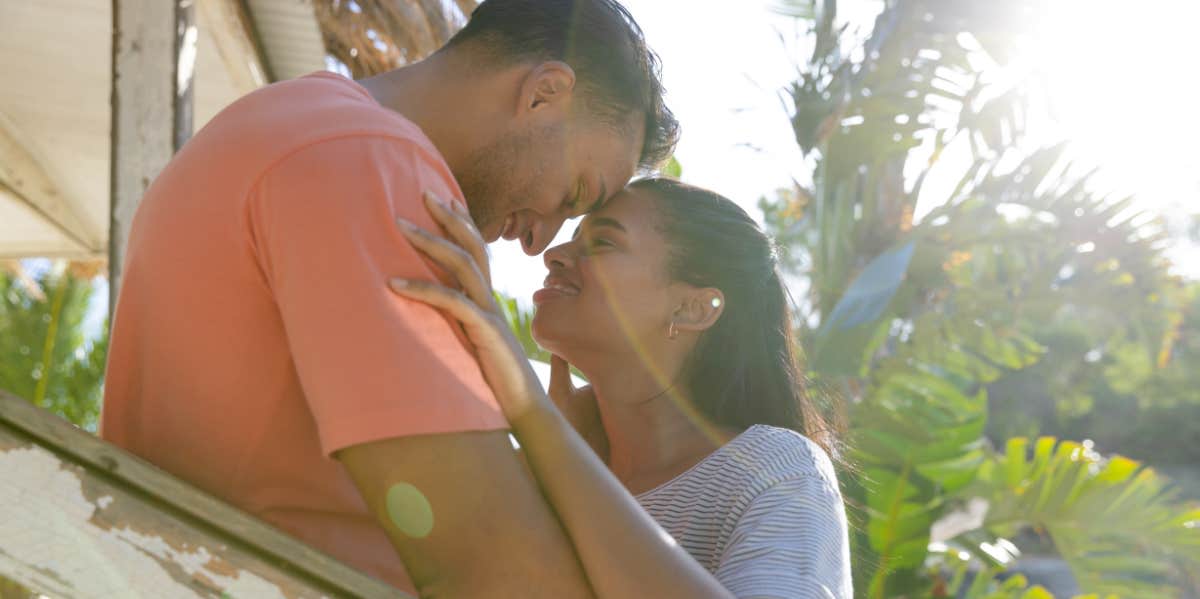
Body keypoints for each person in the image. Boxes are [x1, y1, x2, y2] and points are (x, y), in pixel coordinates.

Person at [100, 0, 677, 595]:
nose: (539, 243)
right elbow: (499, 570)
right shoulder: (368, 161)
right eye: (574, 193)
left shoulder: (289, 124)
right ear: (544, 92)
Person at [391, 177, 854, 598]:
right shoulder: (534, 466)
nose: (553, 255)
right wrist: (535, 469)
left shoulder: (777, 470)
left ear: (693, 309)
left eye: (604, 241)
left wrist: (540, 425)